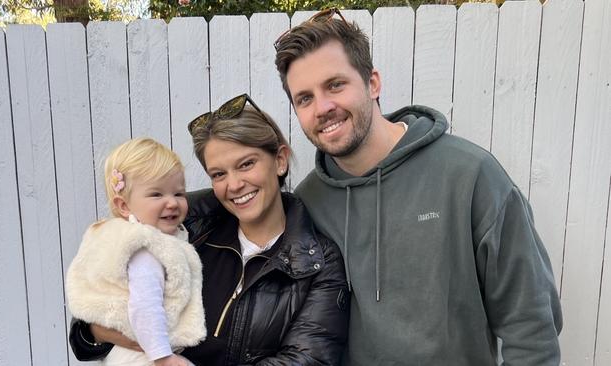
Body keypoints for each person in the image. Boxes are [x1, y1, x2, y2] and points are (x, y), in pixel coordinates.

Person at [274, 8, 563, 366]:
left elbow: (532, 328)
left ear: (373, 83)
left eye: (335, 85)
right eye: (305, 98)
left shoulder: (469, 175)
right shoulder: (307, 204)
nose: (323, 107)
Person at [69, 94, 349, 365]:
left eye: (246, 164)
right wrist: (101, 331)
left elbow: (306, 359)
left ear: (279, 160)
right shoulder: (187, 225)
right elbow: (90, 319)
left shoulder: (316, 261)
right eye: (219, 174)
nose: (234, 184)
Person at [66, 138, 206, 366]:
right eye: (156, 195)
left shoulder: (129, 238)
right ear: (124, 205)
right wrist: (162, 356)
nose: (172, 203)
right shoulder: (145, 250)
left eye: (179, 193)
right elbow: (145, 306)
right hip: (145, 353)